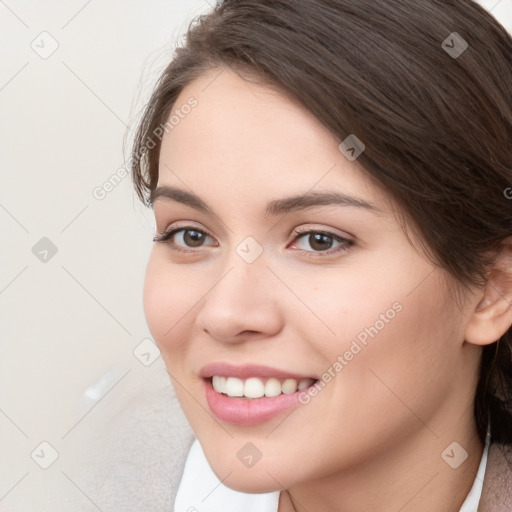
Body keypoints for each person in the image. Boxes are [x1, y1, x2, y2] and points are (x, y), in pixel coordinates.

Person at [130, 1, 512, 510]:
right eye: (191, 236)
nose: (225, 314)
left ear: (492, 289)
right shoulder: (91, 480)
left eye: (318, 240)